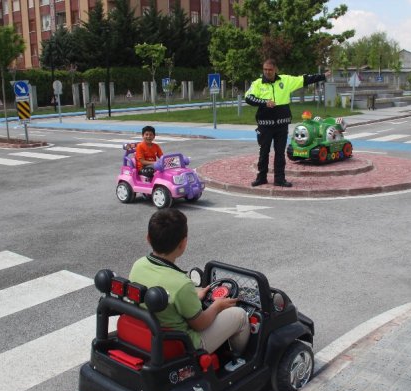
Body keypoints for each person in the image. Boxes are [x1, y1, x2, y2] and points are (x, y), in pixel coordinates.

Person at [129, 209, 250, 356]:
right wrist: (217, 306)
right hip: (186, 344)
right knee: (240, 315)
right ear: (183, 243)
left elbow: (171, 301)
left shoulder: (138, 265)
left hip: (151, 333)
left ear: (148, 238)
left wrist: (194, 298)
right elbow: (200, 324)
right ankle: (238, 360)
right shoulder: (181, 284)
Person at [245, 59, 330, 187]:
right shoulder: (257, 83)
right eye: (265, 69)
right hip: (265, 125)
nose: (267, 72)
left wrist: (323, 76)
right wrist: (264, 102)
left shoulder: (285, 80)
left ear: (275, 70)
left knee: (280, 153)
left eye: (270, 69)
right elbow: (248, 98)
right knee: (264, 152)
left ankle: (279, 179)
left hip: (281, 125)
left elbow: (304, 79)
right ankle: (261, 177)